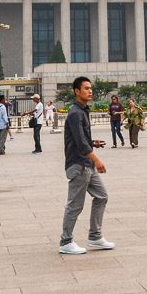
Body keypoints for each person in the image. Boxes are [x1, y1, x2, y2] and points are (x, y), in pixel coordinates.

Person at [59, 76, 113, 255]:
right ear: (77, 91)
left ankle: (95, 237)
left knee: (102, 196)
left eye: (90, 88)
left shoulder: (82, 111)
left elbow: (83, 139)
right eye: (86, 88)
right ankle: (66, 242)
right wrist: (97, 160)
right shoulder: (75, 113)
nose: (90, 91)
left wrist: (93, 142)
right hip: (79, 165)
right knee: (75, 205)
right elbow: (81, 144)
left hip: (86, 163)